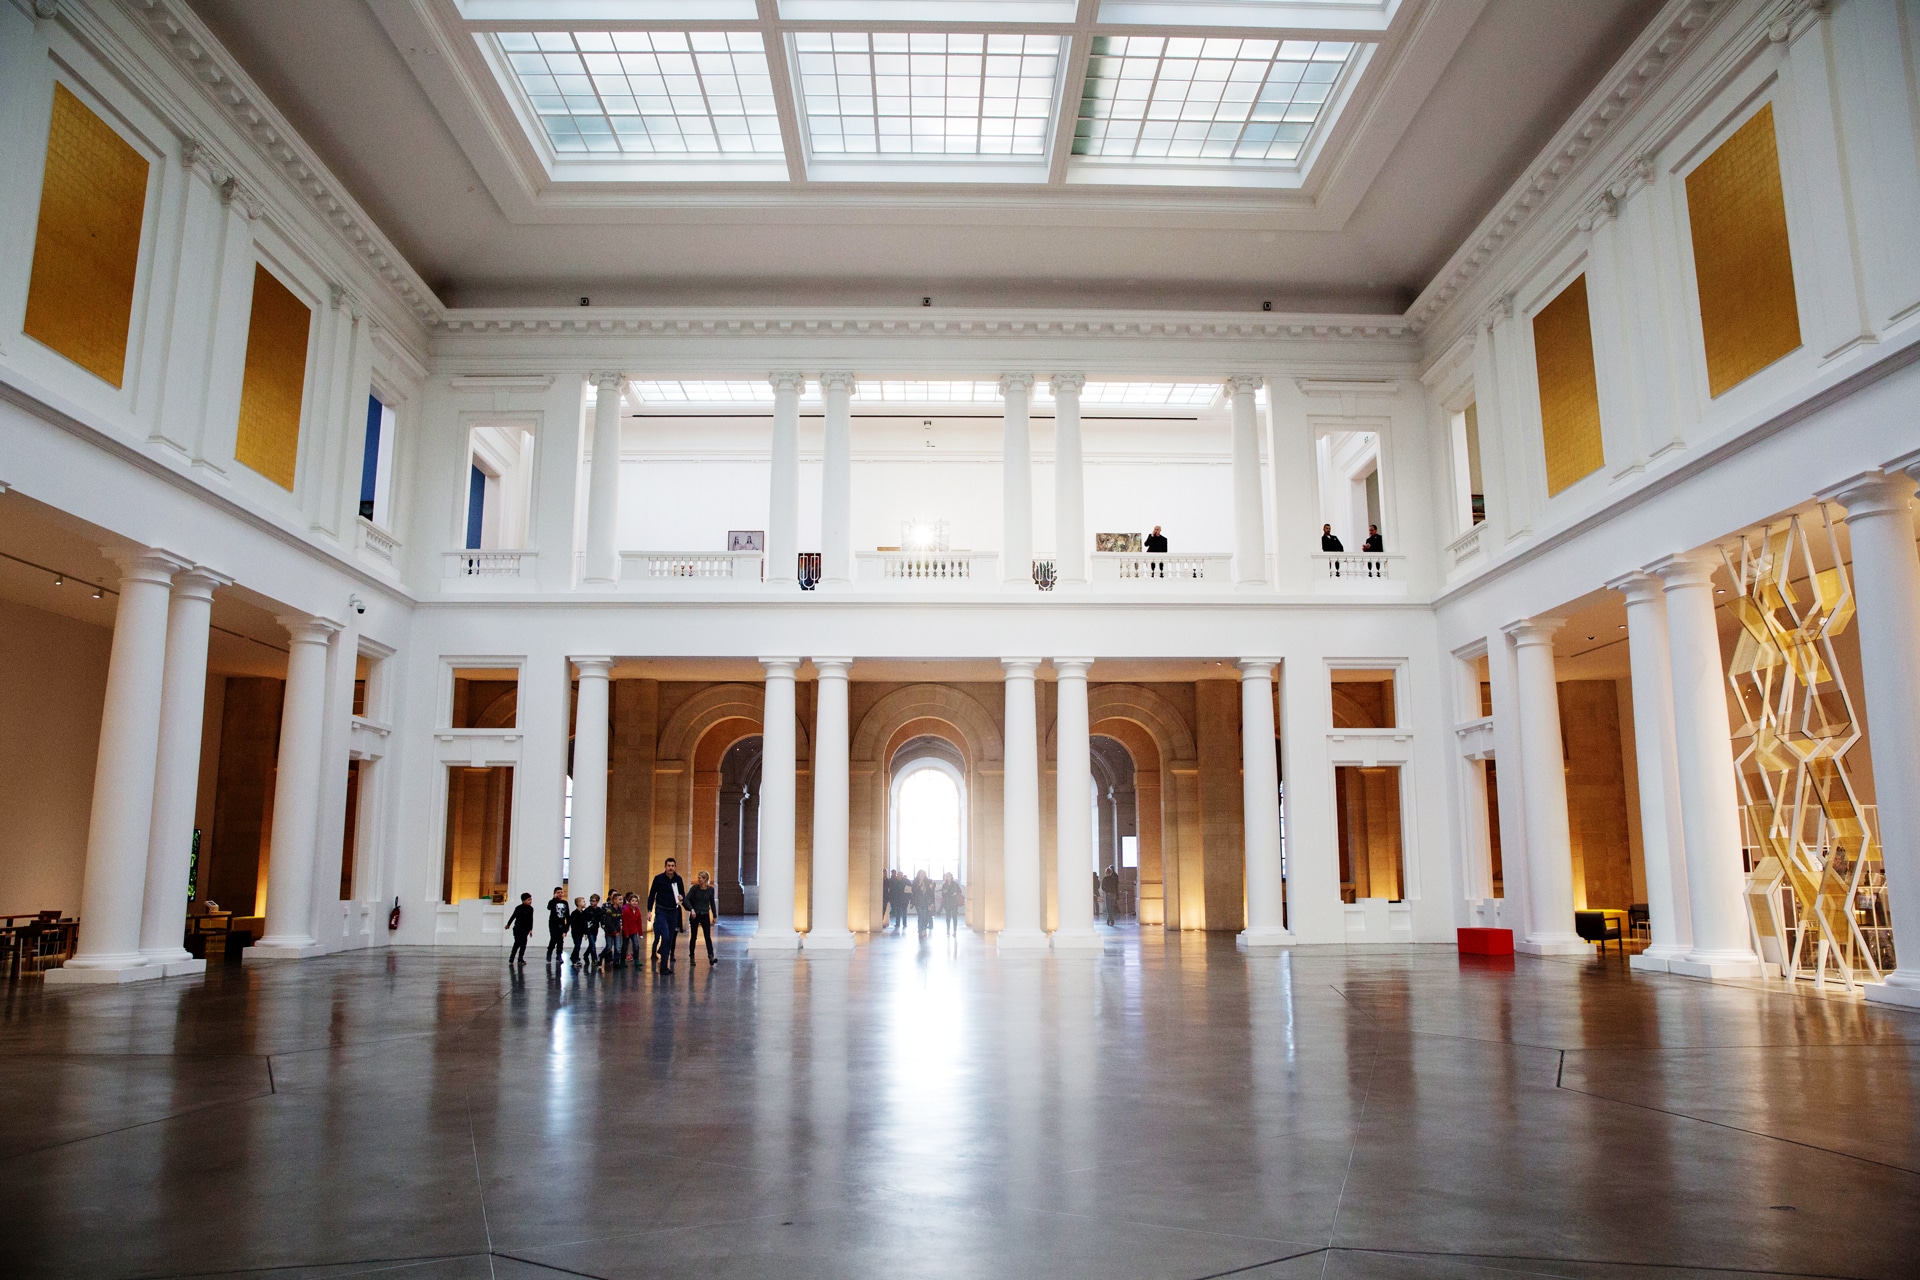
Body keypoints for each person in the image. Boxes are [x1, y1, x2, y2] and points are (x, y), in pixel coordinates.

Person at [647, 858, 687, 973]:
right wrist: (649, 910)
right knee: (665, 936)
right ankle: (663, 964)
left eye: (672, 865)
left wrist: (681, 897)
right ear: (665, 867)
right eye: (668, 865)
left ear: (675, 867)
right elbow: (652, 894)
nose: (670, 868)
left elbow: (682, 893)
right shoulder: (658, 879)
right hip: (661, 910)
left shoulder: (678, 879)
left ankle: (664, 966)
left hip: (673, 911)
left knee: (670, 938)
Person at [685, 871, 717, 964]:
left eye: (700, 878)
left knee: (707, 936)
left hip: (705, 914)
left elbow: (712, 903)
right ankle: (692, 956)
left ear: (705, 879)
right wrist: (691, 909)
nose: (698, 880)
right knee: (693, 936)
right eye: (698, 878)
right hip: (695, 914)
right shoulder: (694, 888)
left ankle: (711, 956)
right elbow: (686, 900)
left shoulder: (710, 890)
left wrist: (714, 915)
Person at [505, 892, 534, 965]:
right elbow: (513, 916)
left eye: (531, 899)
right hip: (518, 928)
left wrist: (530, 929)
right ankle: (512, 957)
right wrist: (508, 924)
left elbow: (531, 919)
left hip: (525, 929)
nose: (530, 901)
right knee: (517, 942)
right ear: (523, 901)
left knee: (523, 944)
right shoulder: (518, 908)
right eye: (528, 900)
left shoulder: (531, 909)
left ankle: (520, 958)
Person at [618, 892, 645, 967]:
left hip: (634, 931)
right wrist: (626, 933)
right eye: (633, 901)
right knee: (625, 946)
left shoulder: (637, 911)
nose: (634, 902)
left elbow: (639, 922)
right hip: (627, 931)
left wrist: (640, 933)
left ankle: (636, 960)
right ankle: (622, 960)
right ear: (629, 902)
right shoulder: (626, 911)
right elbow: (625, 923)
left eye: (636, 901)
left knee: (636, 945)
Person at [544, 887, 570, 963]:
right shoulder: (552, 902)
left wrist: (567, 926)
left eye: (561, 892)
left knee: (560, 941)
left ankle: (559, 955)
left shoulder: (565, 903)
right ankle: (549, 951)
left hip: (562, 923)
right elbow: (549, 907)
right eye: (558, 892)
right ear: (555, 893)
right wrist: (554, 899)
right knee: (553, 938)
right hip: (553, 924)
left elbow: (567, 915)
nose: (560, 894)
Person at [939, 872, 964, 937]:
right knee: (948, 916)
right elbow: (943, 894)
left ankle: (955, 931)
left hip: (954, 902)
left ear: (951, 877)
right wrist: (947, 893)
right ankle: (948, 929)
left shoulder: (955, 884)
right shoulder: (944, 885)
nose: (948, 877)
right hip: (947, 902)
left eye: (949, 876)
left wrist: (955, 893)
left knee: (954, 916)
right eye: (947, 876)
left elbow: (959, 891)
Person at [581, 893, 604, 963]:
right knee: (593, 944)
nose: (591, 902)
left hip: (595, 929)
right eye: (591, 901)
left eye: (593, 901)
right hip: (589, 929)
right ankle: (594, 959)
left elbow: (601, 919)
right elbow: (584, 921)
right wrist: (585, 931)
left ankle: (586, 954)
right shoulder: (587, 910)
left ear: (597, 901)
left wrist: (603, 924)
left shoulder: (599, 910)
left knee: (592, 944)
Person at [912, 870, 935, 938]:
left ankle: (924, 928)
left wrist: (932, 902)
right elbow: (913, 892)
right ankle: (920, 930)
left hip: (926, 902)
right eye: (920, 874)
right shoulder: (915, 882)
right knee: (920, 916)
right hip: (918, 902)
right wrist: (918, 886)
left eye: (923, 874)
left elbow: (931, 893)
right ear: (918, 875)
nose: (922, 875)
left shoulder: (928, 882)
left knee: (925, 916)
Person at [568, 895, 589, 962]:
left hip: (580, 933)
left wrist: (586, 932)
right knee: (577, 945)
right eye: (583, 901)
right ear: (579, 903)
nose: (585, 903)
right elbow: (571, 922)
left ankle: (574, 956)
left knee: (578, 945)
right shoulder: (574, 913)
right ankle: (574, 958)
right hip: (575, 932)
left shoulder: (584, 913)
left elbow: (585, 924)